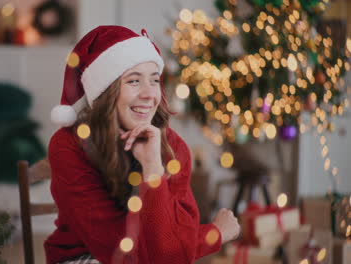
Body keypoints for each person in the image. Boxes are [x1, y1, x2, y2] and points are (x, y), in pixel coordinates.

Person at [45, 25, 240, 264]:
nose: (150, 94)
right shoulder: (69, 146)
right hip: (84, 258)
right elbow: (124, 254)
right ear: (105, 92)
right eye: (134, 81)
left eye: (155, 80)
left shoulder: (171, 147)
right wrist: (214, 235)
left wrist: (152, 166)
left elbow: (168, 256)